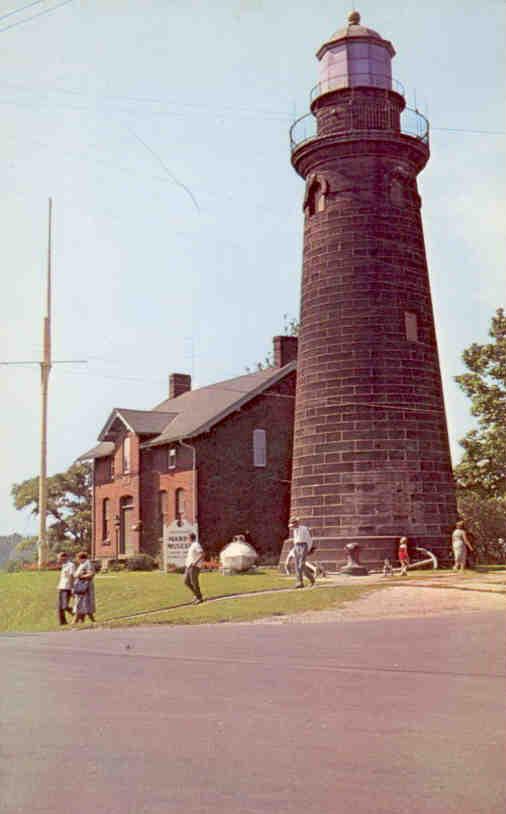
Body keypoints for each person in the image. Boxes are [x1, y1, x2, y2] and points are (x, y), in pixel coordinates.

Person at [288, 517, 315, 588]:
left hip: (304, 546)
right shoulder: (294, 530)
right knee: (297, 565)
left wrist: (308, 549)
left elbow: (309, 539)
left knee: (301, 565)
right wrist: (294, 549)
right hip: (297, 546)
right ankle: (299, 582)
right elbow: (295, 540)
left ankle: (311, 579)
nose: (292, 526)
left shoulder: (304, 529)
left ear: (297, 523)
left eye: (293, 524)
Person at [72, 551, 96, 623]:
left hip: (85, 587)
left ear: (80, 558)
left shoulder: (87, 563)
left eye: (77, 558)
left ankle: (75, 622)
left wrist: (81, 576)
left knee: (81, 604)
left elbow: (91, 574)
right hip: (80, 586)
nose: (77, 560)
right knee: (81, 604)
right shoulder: (82, 564)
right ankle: (83, 621)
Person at [184, 532, 205, 604]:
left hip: (194, 567)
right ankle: (196, 595)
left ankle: (199, 598)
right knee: (186, 581)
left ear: (190, 538)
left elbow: (202, 554)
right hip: (189, 566)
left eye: (187, 538)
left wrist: (195, 562)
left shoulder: (196, 545)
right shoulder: (191, 546)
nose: (187, 539)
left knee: (194, 582)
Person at [56, 551, 75, 625]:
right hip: (61, 587)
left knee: (65, 606)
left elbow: (71, 577)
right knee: (60, 607)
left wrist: (71, 588)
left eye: (59, 558)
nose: (58, 559)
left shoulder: (71, 565)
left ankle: (77, 614)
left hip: (67, 587)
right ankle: (62, 622)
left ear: (64, 557)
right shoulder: (63, 565)